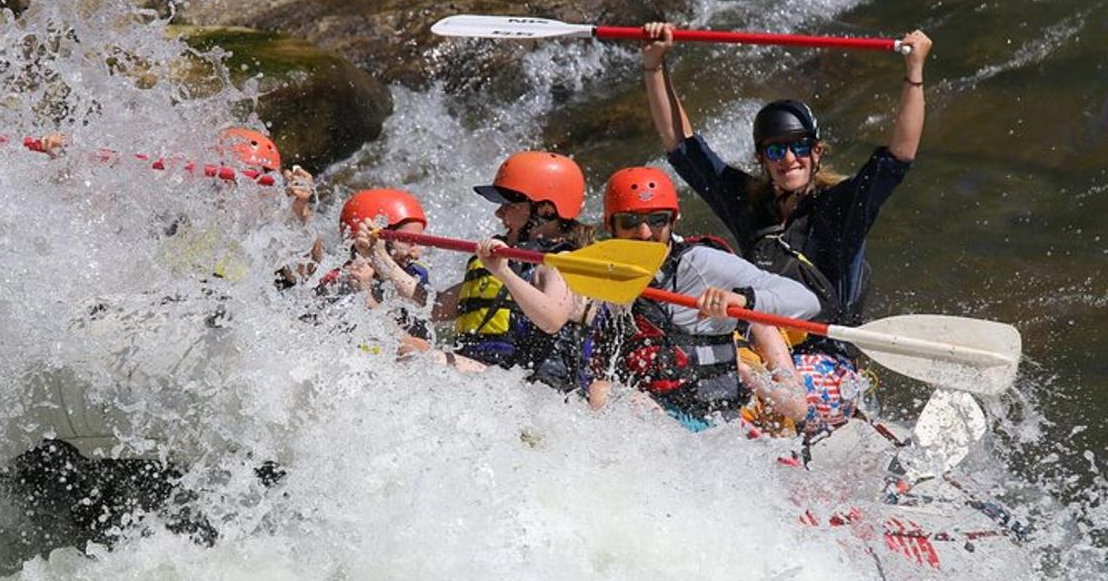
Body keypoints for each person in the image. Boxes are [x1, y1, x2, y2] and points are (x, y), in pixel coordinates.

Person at [640, 22, 932, 432]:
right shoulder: (751, 205)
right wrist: (655, 66)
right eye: (776, 150)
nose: (789, 158)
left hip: (827, 362)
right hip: (766, 350)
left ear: (817, 152)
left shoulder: (841, 207)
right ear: (762, 159)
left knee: (748, 391)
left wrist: (914, 72)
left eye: (799, 147)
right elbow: (682, 147)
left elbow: (898, 156)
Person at [587, 166, 819, 432]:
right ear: (610, 225)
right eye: (630, 222)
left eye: (658, 220)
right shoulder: (598, 269)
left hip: (710, 421)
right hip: (655, 414)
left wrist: (742, 299)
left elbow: (807, 301)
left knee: (602, 394)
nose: (644, 233)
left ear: (673, 221)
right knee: (600, 393)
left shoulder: (704, 263)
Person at [385, 150, 597, 391]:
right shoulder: (510, 260)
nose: (499, 213)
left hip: (536, 390)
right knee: (409, 346)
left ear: (546, 211)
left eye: (509, 204)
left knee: (423, 358)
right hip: (493, 378)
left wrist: (503, 273)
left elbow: (553, 320)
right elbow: (434, 307)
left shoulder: (560, 262)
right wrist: (379, 257)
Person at [322, 188, 432, 341]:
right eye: (409, 242)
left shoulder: (415, 275)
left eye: (419, 242)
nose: (416, 254)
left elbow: (420, 346)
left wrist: (366, 297)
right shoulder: (337, 284)